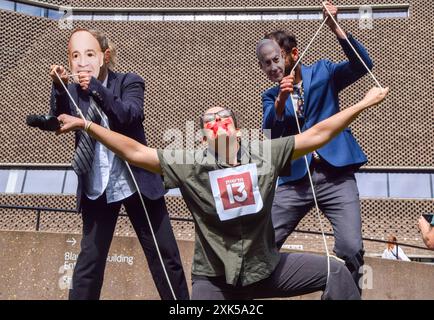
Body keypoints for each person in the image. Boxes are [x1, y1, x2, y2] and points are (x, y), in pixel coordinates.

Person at [55, 81, 389, 299]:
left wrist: (363, 104)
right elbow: (136, 153)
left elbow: (316, 135)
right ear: (202, 138)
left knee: (338, 271)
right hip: (214, 282)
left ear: (240, 132)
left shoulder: (265, 153)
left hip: (266, 270)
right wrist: (87, 124)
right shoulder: (189, 162)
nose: (219, 124)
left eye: (225, 119)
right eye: (210, 123)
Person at [49, 28, 189, 300]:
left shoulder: (129, 82)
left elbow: (129, 116)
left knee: (165, 256)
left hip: (137, 181)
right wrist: (59, 87)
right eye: (75, 56)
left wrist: (97, 88)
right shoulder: (73, 91)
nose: (82, 61)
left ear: (104, 56)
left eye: (90, 54)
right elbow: (58, 119)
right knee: (89, 262)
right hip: (97, 186)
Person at [257, 1, 374, 287]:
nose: (272, 67)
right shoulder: (269, 97)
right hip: (295, 180)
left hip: (336, 175)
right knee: (262, 243)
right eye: (266, 63)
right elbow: (270, 136)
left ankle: (345, 295)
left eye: (277, 59)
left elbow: (362, 66)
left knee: (350, 248)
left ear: (294, 54)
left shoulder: (323, 71)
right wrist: (281, 101)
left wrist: (335, 27)